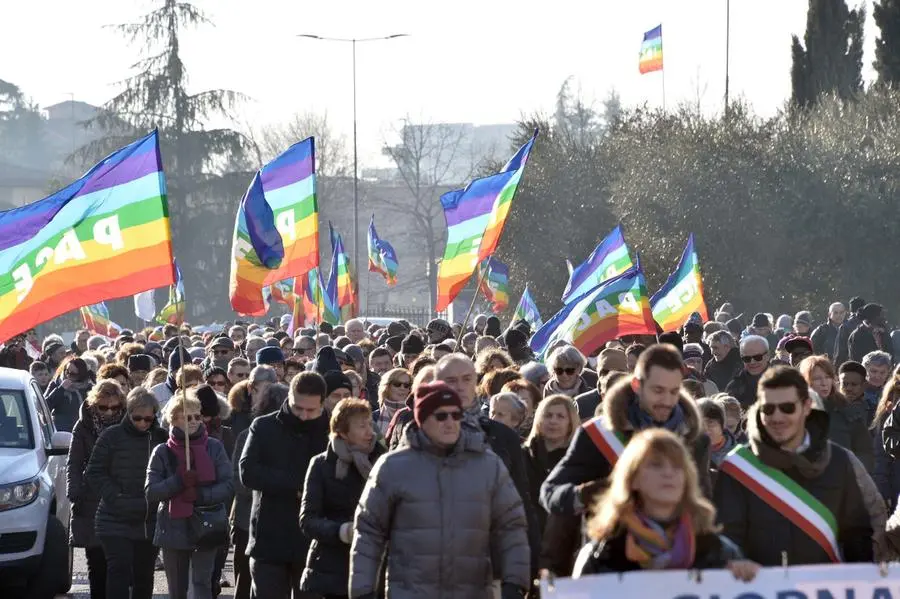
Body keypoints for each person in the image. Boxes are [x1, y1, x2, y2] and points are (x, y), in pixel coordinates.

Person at [349, 381, 530, 599]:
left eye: (456, 415)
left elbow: (512, 526)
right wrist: (362, 591)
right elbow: (369, 532)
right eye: (441, 416)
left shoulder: (488, 465)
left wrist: (515, 583)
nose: (450, 422)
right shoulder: (392, 467)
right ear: (422, 419)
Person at [714, 366, 873, 565]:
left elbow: (857, 535)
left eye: (787, 407)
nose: (777, 417)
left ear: (806, 407)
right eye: (768, 409)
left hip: (824, 588)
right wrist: (734, 561)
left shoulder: (837, 460)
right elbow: (726, 536)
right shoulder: (737, 466)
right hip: (759, 589)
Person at [541, 344, 711, 518]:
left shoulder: (695, 439)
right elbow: (550, 492)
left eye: (674, 391)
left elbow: (704, 502)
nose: (667, 401)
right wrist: (593, 492)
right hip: (611, 539)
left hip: (677, 542)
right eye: (658, 390)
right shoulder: (598, 434)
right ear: (637, 385)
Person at [572, 429, 757, 580]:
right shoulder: (600, 557)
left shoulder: (720, 553)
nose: (668, 473)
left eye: (677, 467)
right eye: (656, 465)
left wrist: (748, 579)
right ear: (633, 478)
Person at [239, 371, 330, 598]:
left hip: (313, 542)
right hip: (269, 539)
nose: (303, 415)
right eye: (298, 408)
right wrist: (295, 483)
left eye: (311, 410)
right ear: (289, 398)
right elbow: (248, 472)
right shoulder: (263, 427)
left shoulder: (331, 431)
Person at [146, 391, 234, 599]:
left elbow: (228, 484)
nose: (194, 421)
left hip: (207, 523)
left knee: (202, 582)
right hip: (173, 526)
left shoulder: (214, 447)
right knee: (177, 588)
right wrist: (178, 481)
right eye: (187, 417)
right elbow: (151, 491)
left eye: (197, 416)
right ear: (173, 420)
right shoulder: (161, 451)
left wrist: (201, 495)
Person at [86, 387, 167, 599]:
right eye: (137, 418)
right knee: (119, 571)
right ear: (128, 413)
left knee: (144, 575)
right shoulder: (111, 436)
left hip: (148, 519)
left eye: (147, 419)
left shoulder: (161, 438)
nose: (142, 423)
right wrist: (115, 496)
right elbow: (94, 472)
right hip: (114, 518)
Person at [299, 399, 385, 598]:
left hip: (374, 564)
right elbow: (308, 519)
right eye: (361, 426)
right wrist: (342, 531)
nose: (369, 431)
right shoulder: (322, 464)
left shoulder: (383, 461)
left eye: (370, 424)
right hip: (332, 568)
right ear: (343, 432)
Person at [66, 379, 128, 599]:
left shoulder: (129, 424)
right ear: (94, 404)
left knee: (120, 564)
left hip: (122, 497)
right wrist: (74, 491)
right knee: (97, 560)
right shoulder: (83, 426)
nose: (109, 412)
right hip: (92, 497)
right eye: (103, 407)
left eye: (115, 407)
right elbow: (74, 462)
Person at [230, 383, 289, 599]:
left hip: (280, 524)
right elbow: (240, 481)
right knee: (245, 581)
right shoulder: (250, 434)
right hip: (249, 521)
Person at [799, 358, 873, 472]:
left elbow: (864, 451)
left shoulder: (847, 411)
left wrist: (853, 474)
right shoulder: (795, 413)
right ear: (806, 381)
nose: (824, 383)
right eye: (817, 378)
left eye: (828, 377)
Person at [523, 395, 579, 538]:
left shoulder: (578, 461)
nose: (553, 421)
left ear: (570, 423)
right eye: (548, 415)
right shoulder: (521, 455)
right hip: (525, 532)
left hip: (564, 537)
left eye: (560, 416)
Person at [574, 348, 627, 421]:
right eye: (605, 372)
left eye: (617, 371)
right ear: (598, 373)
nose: (610, 376)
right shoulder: (581, 404)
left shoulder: (639, 402)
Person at [46, 357, 93, 432]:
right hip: (60, 431)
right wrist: (61, 389)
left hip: (81, 431)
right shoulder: (56, 384)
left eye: (73, 374)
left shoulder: (88, 388)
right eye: (67, 372)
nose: (68, 376)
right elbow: (45, 406)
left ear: (81, 375)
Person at [725, 335, 770, 409]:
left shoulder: (783, 381)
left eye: (757, 357)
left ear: (768, 355)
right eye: (747, 358)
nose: (752, 362)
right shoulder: (734, 386)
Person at [372, 367, 411, 437]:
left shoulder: (414, 415)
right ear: (387, 386)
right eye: (397, 384)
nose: (402, 388)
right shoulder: (373, 418)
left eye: (406, 385)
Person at [863, 351, 893, 425]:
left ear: (888, 373)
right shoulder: (855, 392)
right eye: (873, 371)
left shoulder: (890, 394)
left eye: (882, 372)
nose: (877, 376)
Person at [835, 297, 867, 366]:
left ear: (850, 310)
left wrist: (836, 368)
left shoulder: (845, 326)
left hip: (851, 365)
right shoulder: (869, 324)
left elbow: (841, 352)